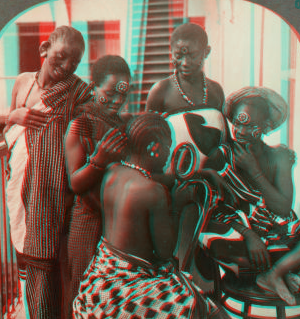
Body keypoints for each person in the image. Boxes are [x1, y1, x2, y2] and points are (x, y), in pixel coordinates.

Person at [73, 113, 229, 319]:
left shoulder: (113, 170)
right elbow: (165, 253)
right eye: (167, 146)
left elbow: (149, 177)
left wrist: (197, 174)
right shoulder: (154, 192)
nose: (169, 153)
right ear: (153, 148)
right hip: (127, 288)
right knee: (203, 307)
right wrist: (177, 204)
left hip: (100, 281)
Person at [3, 26, 92, 319]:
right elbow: (10, 130)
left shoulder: (78, 92)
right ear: (44, 50)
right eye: (61, 57)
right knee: (21, 248)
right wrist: (12, 116)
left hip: (49, 189)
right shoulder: (22, 82)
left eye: (74, 62)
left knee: (44, 259)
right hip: (17, 181)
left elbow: (89, 127)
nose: (66, 67)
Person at [199, 87, 299, 296]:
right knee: (214, 240)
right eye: (238, 124)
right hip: (238, 228)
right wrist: (249, 234)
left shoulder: (279, 156)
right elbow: (211, 208)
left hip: (275, 227)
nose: (242, 132)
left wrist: (254, 171)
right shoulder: (222, 155)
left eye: (250, 126)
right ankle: (284, 269)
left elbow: (283, 208)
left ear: (266, 126)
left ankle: (274, 274)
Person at [64, 55, 131, 319]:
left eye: (123, 95)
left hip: (118, 223)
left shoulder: (124, 124)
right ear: (93, 88)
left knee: (113, 298)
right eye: (110, 93)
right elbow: (76, 182)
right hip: (89, 223)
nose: (117, 100)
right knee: (84, 297)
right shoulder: (80, 124)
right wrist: (100, 161)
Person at [146, 23, 224, 114]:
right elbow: (149, 127)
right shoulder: (160, 91)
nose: (185, 63)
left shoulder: (216, 90)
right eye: (178, 56)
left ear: (206, 52)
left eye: (193, 55)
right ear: (171, 53)